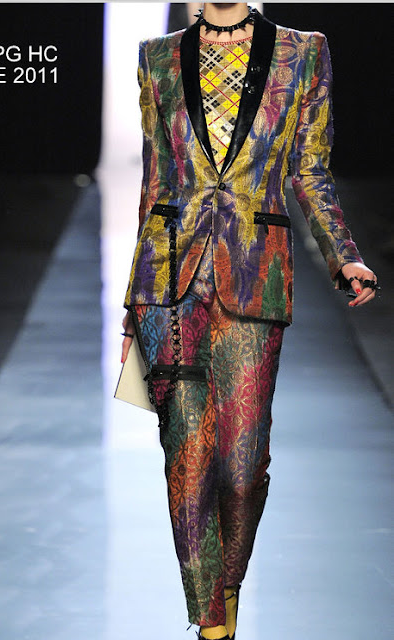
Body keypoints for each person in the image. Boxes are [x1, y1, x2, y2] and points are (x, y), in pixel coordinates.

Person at [120, 4, 378, 639]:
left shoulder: (302, 52)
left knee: (241, 464)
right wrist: (131, 306)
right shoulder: (157, 56)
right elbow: (155, 183)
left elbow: (309, 169)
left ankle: (225, 588)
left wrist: (343, 254)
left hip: (255, 272)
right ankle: (210, 623)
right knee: (186, 456)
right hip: (167, 282)